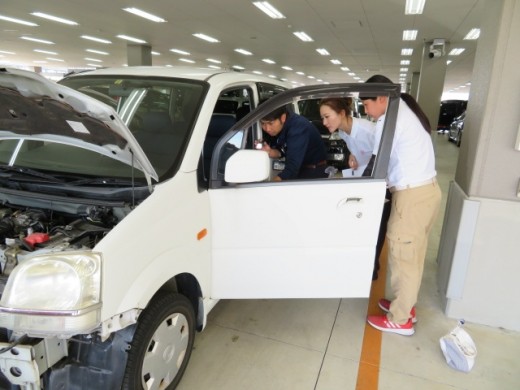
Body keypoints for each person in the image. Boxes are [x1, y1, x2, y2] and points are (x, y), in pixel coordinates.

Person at [361, 75, 442, 336]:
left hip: (412, 198)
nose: (365, 109)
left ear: (382, 98)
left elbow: (377, 165)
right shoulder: (406, 111)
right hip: (426, 193)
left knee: (403, 258)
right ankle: (405, 306)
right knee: (413, 256)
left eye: (366, 103)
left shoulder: (390, 120)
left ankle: (400, 319)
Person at [319, 97, 388, 280]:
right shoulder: (343, 131)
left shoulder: (368, 130)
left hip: (380, 184)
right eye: (323, 118)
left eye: (327, 117)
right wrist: (352, 154)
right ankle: (365, 264)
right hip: (364, 180)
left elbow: (385, 154)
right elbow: (358, 148)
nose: (324, 122)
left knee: (376, 228)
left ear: (341, 113)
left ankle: (371, 269)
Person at [258, 104, 328, 181]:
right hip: (301, 169)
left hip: (312, 172)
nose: (267, 128)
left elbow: (292, 167)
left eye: (271, 123)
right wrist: (272, 152)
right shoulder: (281, 127)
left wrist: (270, 185)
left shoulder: (298, 128)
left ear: (283, 118)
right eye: (263, 123)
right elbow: (285, 149)